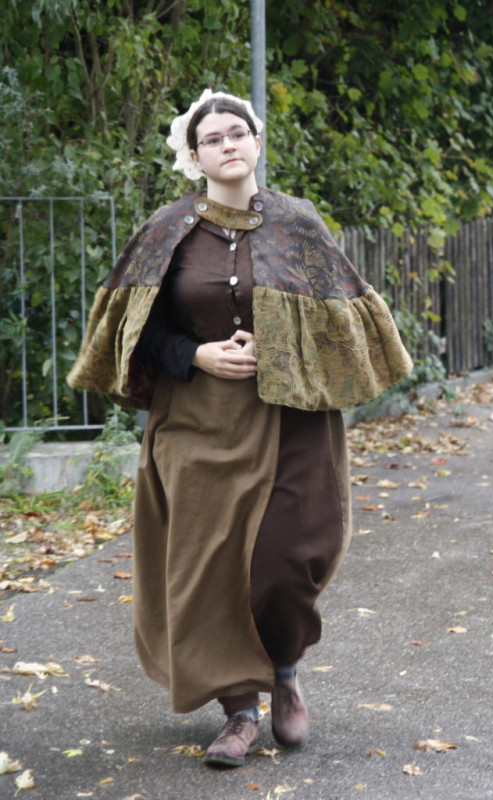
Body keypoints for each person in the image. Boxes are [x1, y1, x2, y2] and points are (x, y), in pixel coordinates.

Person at [67, 89, 412, 767]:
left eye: (238, 133)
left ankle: (283, 669)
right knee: (210, 570)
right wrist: (194, 354)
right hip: (195, 425)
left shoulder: (298, 226)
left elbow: (344, 316)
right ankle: (239, 711)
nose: (228, 144)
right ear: (194, 157)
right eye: (213, 138)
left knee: (286, 564)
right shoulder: (166, 231)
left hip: (291, 425)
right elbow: (134, 334)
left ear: (256, 142)